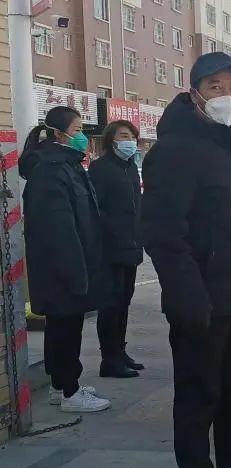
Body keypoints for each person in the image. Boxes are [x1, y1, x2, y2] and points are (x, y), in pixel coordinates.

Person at [141, 52, 231, 468]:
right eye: (215, 87)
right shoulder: (174, 151)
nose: (227, 96)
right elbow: (164, 233)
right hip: (202, 301)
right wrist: (187, 294)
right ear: (194, 94)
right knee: (199, 395)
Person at [19, 106, 112, 413]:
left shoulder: (66, 165)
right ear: (59, 134)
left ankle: (60, 386)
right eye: (77, 130)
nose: (82, 136)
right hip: (63, 266)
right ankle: (70, 392)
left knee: (63, 326)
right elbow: (58, 229)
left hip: (72, 264)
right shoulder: (51, 171)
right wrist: (75, 272)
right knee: (65, 329)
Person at [89, 120, 145, 378]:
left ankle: (120, 352)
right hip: (110, 248)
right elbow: (95, 209)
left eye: (132, 136)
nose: (129, 141)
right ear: (111, 139)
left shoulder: (130, 167)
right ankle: (109, 359)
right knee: (110, 305)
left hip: (131, 246)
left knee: (124, 302)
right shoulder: (100, 168)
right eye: (124, 136)